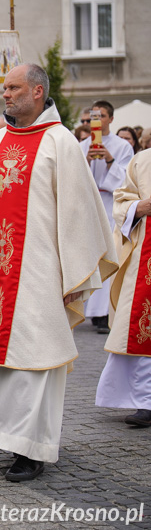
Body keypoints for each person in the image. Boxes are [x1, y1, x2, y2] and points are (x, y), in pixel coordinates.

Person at [0, 63, 117, 482]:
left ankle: (32, 448)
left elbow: (77, 214)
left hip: (38, 270)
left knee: (37, 354)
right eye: (4, 88)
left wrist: (72, 274)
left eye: (14, 88)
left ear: (37, 92)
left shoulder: (61, 143)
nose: (6, 95)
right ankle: (7, 437)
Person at [95, 148, 151, 427]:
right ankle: (146, 400)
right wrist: (140, 208)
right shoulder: (144, 160)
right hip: (146, 257)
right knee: (141, 323)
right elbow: (122, 199)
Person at [79, 100, 134, 334]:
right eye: (93, 116)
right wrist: (88, 160)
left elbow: (128, 178)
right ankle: (90, 310)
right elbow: (74, 175)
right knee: (89, 255)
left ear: (111, 119)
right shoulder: (81, 145)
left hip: (111, 203)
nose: (97, 120)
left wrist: (110, 159)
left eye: (101, 116)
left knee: (109, 253)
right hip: (89, 204)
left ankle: (105, 313)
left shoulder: (123, 146)